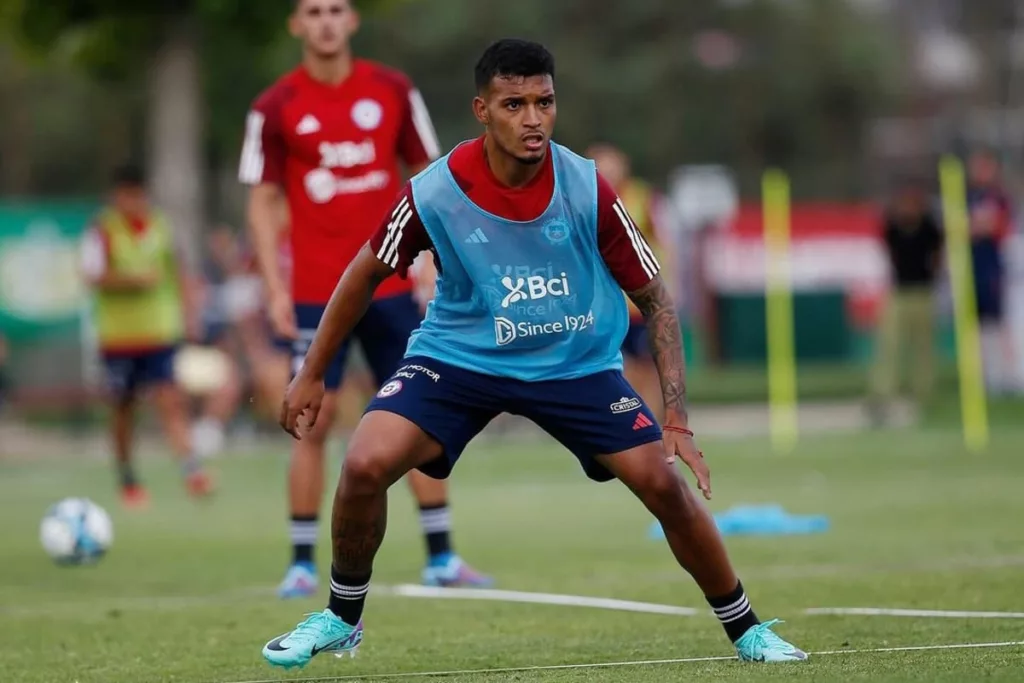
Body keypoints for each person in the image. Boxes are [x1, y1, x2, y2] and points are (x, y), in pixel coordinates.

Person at [262, 38, 807, 669]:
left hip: (573, 364)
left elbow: (656, 298)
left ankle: (749, 631)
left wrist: (676, 420)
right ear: (482, 110)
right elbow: (362, 274)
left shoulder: (586, 186)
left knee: (663, 483)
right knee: (362, 464)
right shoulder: (435, 190)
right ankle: (340, 617)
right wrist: (313, 373)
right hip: (459, 359)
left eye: (544, 102)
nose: (532, 118)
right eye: (513, 103)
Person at [238, 0, 490, 599]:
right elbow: (263, 200)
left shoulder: (394, 90)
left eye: (336, 9)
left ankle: (443, 557)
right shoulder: (274, 107)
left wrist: (435, 260)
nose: (325, 21)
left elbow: (431, 173)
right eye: (313, 11)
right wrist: (273, 286)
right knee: (312, 420)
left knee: (419, 416)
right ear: (296, 24)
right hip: (313, 294)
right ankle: (301, 562)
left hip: (395, 284)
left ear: (352, 21)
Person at [80, 163, 213, 507]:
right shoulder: (102, 230)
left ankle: (192, 470)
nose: (133, 201)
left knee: (171, 400)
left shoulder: (161, 226)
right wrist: (132, 281)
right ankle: (127, 477)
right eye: (126, 195)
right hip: (119, 339)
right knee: (123, 409)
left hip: (160, 333)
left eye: (138, 194)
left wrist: (189, 315)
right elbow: (92, 277)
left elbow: (178, 273)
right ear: (116, 196)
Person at [587, 143, 672, 420]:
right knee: (614, 368)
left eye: (612, 165)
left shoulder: (642, 198)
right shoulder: (584, 198)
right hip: (601, 305)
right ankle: (627, 420)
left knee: (647, 366)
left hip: (637, 302)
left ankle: (651, 423)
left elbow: (664, 244)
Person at [869, 178, 943, 416]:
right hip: (899, 292)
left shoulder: (929, 228)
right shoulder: (893, 227)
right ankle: (883, 394)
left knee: (923, 347)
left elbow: (938, 253)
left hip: (923, 292)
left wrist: (934, 274)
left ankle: (925, 395)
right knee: (889, 346)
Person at [966, 150, 1021, 394]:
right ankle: (986, 376)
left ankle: (1006, 375)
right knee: (977, 325)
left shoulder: (998, 197)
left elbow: (994, 226)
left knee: (999, 322)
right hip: (972, 266)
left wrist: (978, 226)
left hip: (993, 267)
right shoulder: (968, 196)